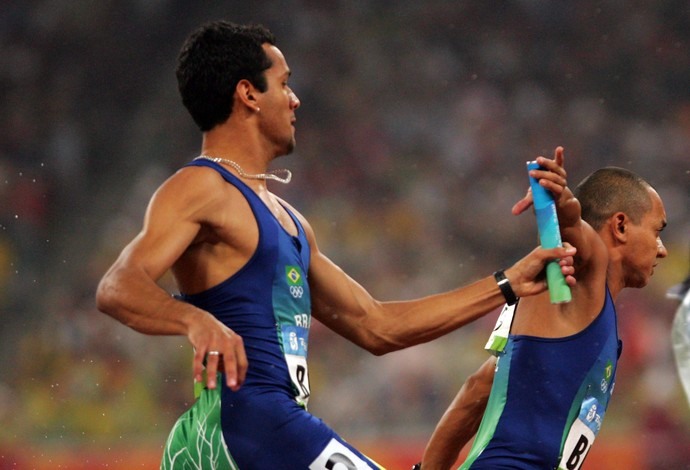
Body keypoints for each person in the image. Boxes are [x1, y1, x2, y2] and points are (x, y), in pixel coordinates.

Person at [95, 21, 577, 470]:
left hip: (247, 435)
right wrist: (195, 320)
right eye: (284, 84)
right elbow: (118, 286)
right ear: (248, 94)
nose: (296, 99)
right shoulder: (202, 187)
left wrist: (508, 283)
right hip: (248, 425)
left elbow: (378, 326)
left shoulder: (291, 223)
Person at [419, 148, 668, 470]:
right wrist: (560, 202)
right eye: (657, 231)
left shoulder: (565, 299)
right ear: (620, 225)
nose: (662, 250)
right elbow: (578, 232)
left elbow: (477, 390)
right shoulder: (585, 272)